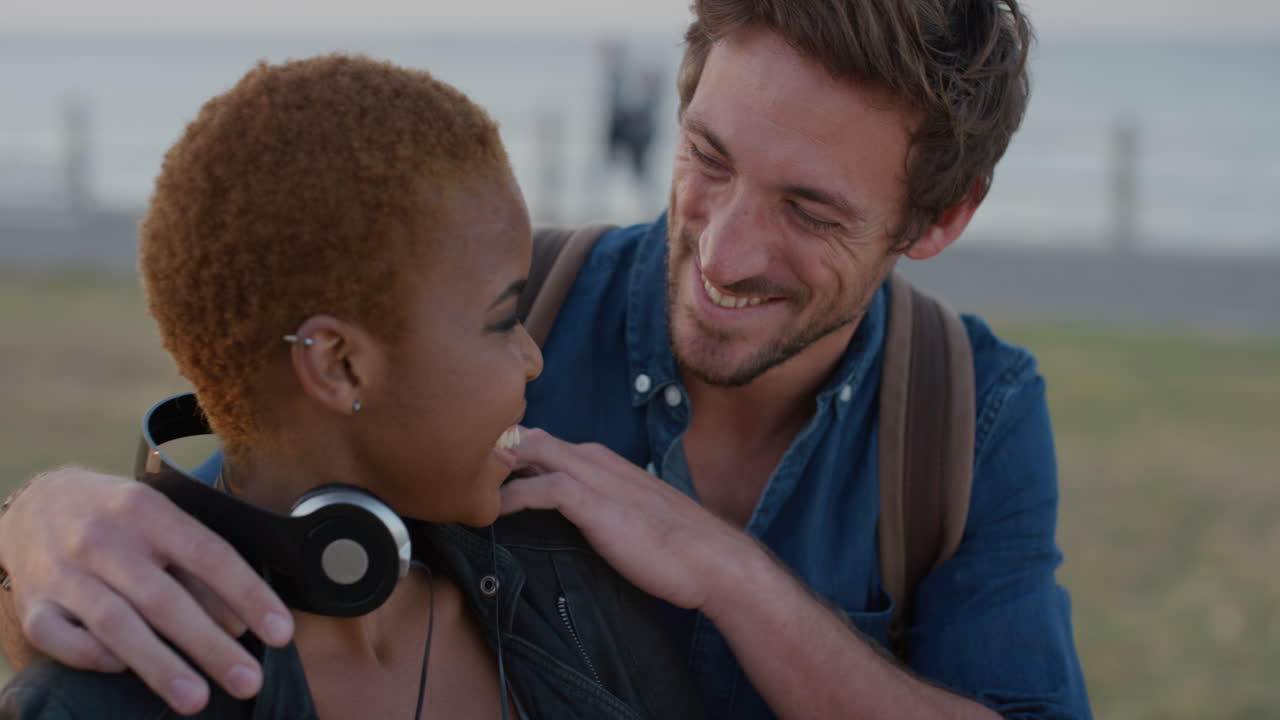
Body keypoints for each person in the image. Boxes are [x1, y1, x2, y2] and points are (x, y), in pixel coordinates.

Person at [0, 1, 1094, 718]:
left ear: (939, 217)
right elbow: (243, 500)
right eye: (707, 159)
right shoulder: (475, 314)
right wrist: (37, 528)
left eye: (808, 211)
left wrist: (730, 580)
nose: (719, 250)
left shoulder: (971, 416)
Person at [0, 54, 704, 719]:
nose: (532, 359)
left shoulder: (569, 585)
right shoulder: (96, 703)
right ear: (338, 365)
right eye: (503, 320)